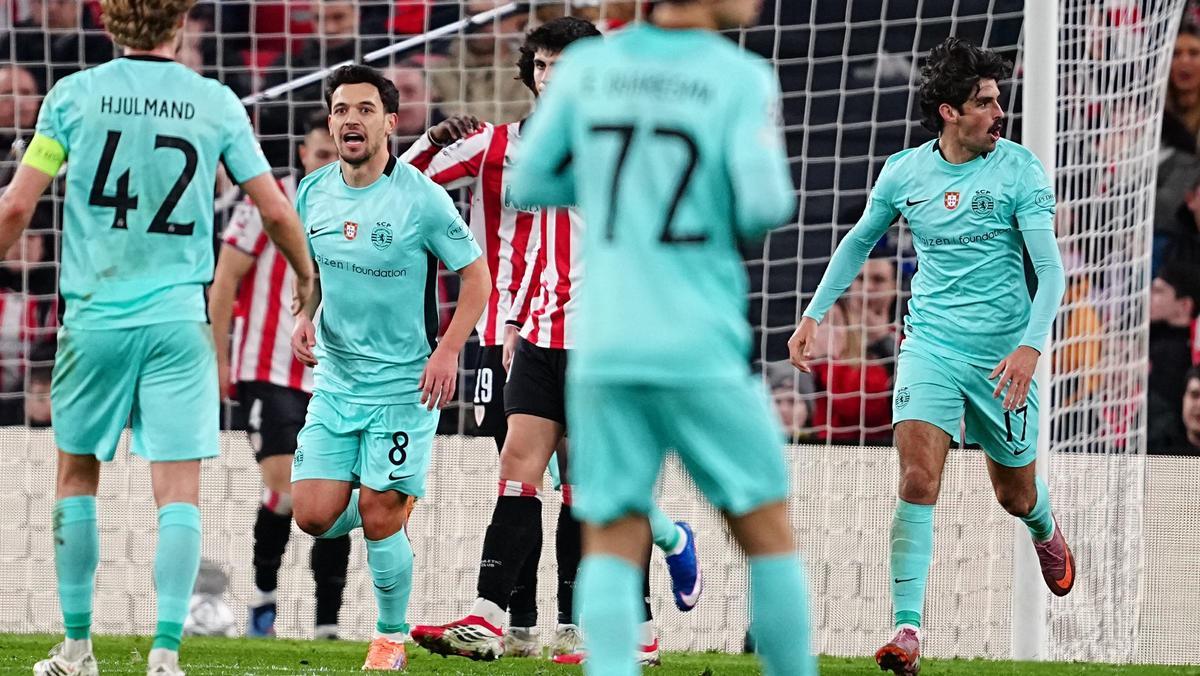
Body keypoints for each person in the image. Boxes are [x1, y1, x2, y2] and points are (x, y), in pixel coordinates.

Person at [0, 1, 315, 674]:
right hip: (179, 322)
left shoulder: (72, 96)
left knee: (75, 477)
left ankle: (78, 648)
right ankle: (166, 654)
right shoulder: (216, 102)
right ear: (179, 26)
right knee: (178, 490)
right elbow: (274, 207)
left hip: (94, 319)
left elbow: (18, 204)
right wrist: (306, 275)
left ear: (112, 24)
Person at [508, 0, 813, 673]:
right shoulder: (739, 77)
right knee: (767, 532)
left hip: (605, 343)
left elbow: (529, 180)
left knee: (609, 534)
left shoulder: (589, 71)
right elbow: (766, 207)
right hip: (695, 339)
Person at [409, 18, 703, 666]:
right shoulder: (533, 145)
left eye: (566, 67)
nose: (551, 79)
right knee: (518, 470)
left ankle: (642, 626)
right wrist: (513, 322)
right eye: (542, 67)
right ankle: (489, 617)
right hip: (539, 334)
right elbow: (537, 243)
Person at [789, 37, 1072, 675]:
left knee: (1014, 495)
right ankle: (908, 629)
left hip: (1004, 356)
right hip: (931, 346)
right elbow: (858, 243)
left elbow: (1049, 274)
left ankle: (1045, 528)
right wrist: (812, 316)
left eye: (998, 100)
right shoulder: (905, 173)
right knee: (918, 480)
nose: (999, 113)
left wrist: (1030, 347)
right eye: (985, 102)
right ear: (948, 112)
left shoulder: (1020, 169)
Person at [287, 63, 490, 671]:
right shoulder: (312, 190)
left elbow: (476, 278)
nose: (352, 119)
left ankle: (389, 639)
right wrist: (306, 313)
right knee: (314, 517)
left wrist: (448, 350)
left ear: (390, 123)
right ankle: (392, 500)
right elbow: (313, 267)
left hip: (406, 384)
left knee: (377, 513)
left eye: (366, 110)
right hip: (338, 380)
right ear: (331, 120)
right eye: (342, 109)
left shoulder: (421, 198)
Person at [208, 112, 349, 640]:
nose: (328, 161)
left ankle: (327, 624)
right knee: (287, 489)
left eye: (334, 153)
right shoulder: (267, 203)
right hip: (267, 369)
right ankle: (264, 603)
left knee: (335, 498)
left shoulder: (364, 206)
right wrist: (216, 356)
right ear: (303, 154)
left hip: (337, 377)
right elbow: (225, 281)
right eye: (319, 153)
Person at [1147, 262, 1200, 451]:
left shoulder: (1180, 352)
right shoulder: (1148, 339)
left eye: (1159, 291)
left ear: (1184, 305)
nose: (1149, 297)